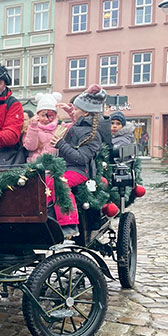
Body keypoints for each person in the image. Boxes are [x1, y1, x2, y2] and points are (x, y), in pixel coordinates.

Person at [48, 84, 106, 239]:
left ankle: (69, 225)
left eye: (76, 108)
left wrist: (60, 143)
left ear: (85, 112)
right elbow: (74, 117)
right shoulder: (78, 125)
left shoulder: (92, 134)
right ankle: (47, 219)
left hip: (80, 171)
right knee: (43, 182)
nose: (73, 111)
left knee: (59, 183)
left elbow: (80, 158)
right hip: (65, 167)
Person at [23, 92, 63, 162]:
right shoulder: (31, 127)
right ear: (38, 114)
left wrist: (70, 112)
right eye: (43, 115)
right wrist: (33, 127)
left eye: (50, 116)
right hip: (36, 164)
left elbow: (75, 124)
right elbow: (30, 147)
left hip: (56, 164)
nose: (46, 119)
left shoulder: (61, 126)